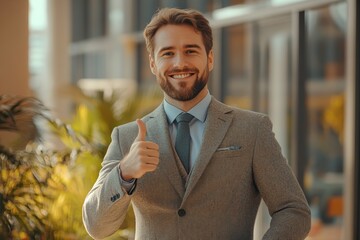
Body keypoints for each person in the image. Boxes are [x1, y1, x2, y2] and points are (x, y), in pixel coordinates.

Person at [82, 8, 311, 240]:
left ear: (209, 58)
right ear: (153, 64)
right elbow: (95, 226)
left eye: (190, 51)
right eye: (168, 53)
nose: (180, 63)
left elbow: (293, 210)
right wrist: (124, 173)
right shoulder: (127, 137)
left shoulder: (252, 129)